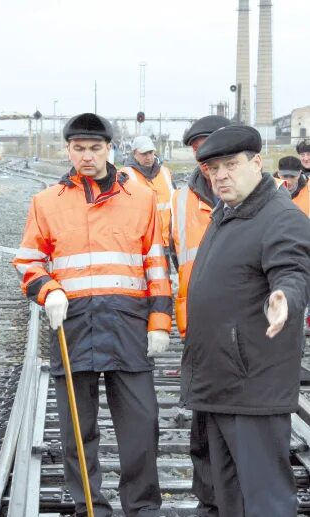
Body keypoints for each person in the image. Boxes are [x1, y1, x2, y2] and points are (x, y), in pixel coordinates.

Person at [13, 113, 172, 517]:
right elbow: (29, 262)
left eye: (95, 148)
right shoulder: (46, 202)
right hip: (74, 327)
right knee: (77, 434)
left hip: (128, 324)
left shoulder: (141, 199)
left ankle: (142, 508)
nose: (87, 156)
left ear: (110, 149)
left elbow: (157, 264)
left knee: (141, 426)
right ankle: (90, 509)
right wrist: (48, 292)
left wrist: (159, 322)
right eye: (79, 148)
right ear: (68, 150)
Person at [181, 125, 310, 517]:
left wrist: (284, 299)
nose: (221, 175)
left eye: (231, 165)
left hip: (251, 389)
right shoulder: (227, 214)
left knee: (264, 499)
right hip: (217, 382)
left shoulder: (280, 217)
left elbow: (293, 270)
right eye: (213, 168)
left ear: (257, 163)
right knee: (224, 497)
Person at [171, 115, 230, 516]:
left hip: (250, 333)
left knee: (244, 430)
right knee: (204, 427)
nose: (205, 155)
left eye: (211, 145)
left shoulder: (267, 194)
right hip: (197, 331)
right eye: (198, 149)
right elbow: (163, 258)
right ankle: (210, 503)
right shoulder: (178, 201)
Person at [120, 135, 175, 253]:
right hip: (141, 243)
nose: (149, 157)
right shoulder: (125, 175)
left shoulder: (165, 173)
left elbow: (175, 204)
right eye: (144, 154)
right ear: (134, 154)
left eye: (151, 153)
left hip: (167, 241)